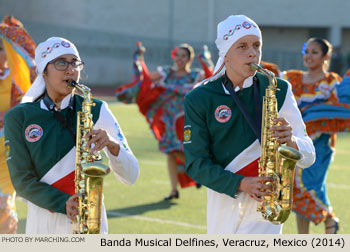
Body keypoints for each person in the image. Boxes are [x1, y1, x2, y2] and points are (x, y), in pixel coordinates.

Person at [183, 15, 316, 234]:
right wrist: (241, 183)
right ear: (225, 53)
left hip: (269, 204)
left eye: (256, 45)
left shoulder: (279, 89)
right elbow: (195, 164)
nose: (252, 53)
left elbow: (309, 154)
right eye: (242, 46)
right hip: (224, 201)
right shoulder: (199, 98)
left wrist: (291, 141)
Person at [4, 37, 140, 234]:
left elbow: (132, 175)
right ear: (43, 70)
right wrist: (62, 202)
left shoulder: (97, 109)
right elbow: (22, 181)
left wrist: (112, 145)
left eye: (75, 62)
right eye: (61, 63)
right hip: (43, 225)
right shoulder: (18, 117)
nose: (71, 70)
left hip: (91, 222)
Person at [116, 42, 213, 200]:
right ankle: (174, 190)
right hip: (167, 120)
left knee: (183, 149)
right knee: (170, 151)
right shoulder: (166, 72)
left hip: (186, 120)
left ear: (190, 59)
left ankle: (197, 172)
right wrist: (139, 59)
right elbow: (144, 80)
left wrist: (206, 60)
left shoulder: (196, 75)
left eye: (184, 56)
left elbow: (213, 78)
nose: (180, 59)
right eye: (178, 55)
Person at [282, 38, 350, 234]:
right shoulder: (292, 78)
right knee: (294, 187)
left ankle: (329, 221)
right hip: (292, 143)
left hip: (319, 145)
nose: (308, 56)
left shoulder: (331, 82)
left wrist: (314, 117)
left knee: (306, 186)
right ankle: (304, 238)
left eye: (314, 52)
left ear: (325, 56)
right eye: (306, 51)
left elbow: (337, 110)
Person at [0, 15, 36, 234]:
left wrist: (9, 33)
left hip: (6, 153)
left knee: (4, 209)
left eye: (3, 48)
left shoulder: (17, 79)